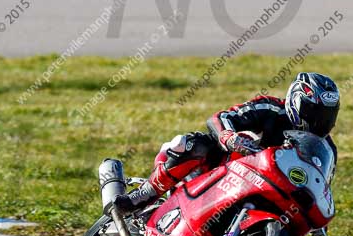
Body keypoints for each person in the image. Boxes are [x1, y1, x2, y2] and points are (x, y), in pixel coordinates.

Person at [106, 72, 340, 217]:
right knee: (191, 145)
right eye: (313, 111)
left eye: (328, 114)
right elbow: (221, 118)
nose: (320, 120)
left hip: (273, 193)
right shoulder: (271, 108)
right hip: (234, 168)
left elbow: (320, 186)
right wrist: (229, 137)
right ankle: (143, 194)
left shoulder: (327, 150)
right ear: (296, 102)